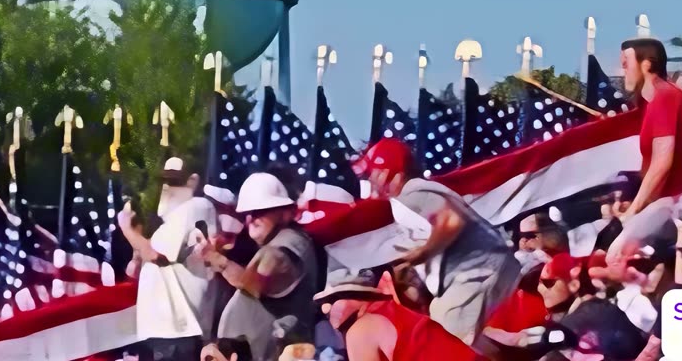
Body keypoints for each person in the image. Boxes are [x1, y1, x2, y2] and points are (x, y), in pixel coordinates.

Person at [353, 138, 519, 349]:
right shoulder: (412, 198)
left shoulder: (413, 193)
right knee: (471, 343)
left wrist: (421, 253)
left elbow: (451, 221)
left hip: (477, 272)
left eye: (371, 173)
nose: (370, 180)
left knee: (441, 342)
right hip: (488, 270)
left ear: (389, 172)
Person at [204, 173, 319, 361]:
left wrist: (216, 259)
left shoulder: (290, 242)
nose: (251, 218)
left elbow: (256, 281)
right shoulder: (276, 242)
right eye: (247, 213)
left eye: (260, 210)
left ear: (285, 212)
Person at [610, 38, 682, 261]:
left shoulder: (665, 98)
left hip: (676, 204)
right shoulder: (654, 102)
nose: (621, 70)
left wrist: (634, 210)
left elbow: (662, 163)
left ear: (647, 64)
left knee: (616, 255)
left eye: (625, 63)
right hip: (663, 203)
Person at [118, 157, 219, 361]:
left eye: (175, 182)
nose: (168, 188)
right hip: (165, 331)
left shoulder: (195, 206)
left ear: (192, 182)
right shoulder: (175, 220)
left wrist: (126, 228)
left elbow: (156, 255)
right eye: (165, 181)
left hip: (175, 332)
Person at [315, 269, 481, 361]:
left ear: (359, 297)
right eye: (323, 304)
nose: (327, 309)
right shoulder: (392, 309)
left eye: (334, 299)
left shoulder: (360, 330)